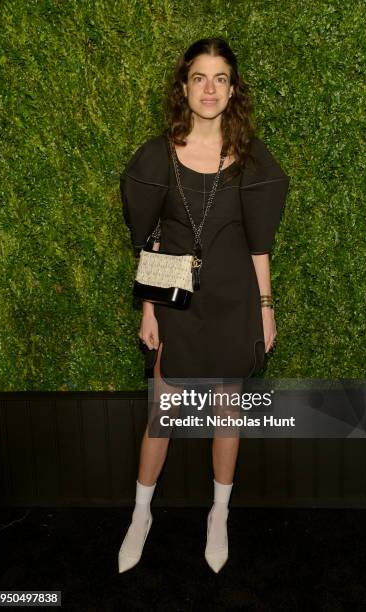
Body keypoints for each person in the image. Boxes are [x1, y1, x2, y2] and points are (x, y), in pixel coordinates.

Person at [118, 38, 290, 574]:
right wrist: (149, 310)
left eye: (220, 78)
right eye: (199, 77)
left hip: (235, 300)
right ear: (184, 86)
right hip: (176, 302)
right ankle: (140, 516)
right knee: (162, 414)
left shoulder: (252, 159)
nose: (210, 88)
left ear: (233, 88)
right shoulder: (156, 155)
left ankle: (219, 515)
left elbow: (259, 246)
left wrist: (265, 307)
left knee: (226, 411)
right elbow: (150, 240)